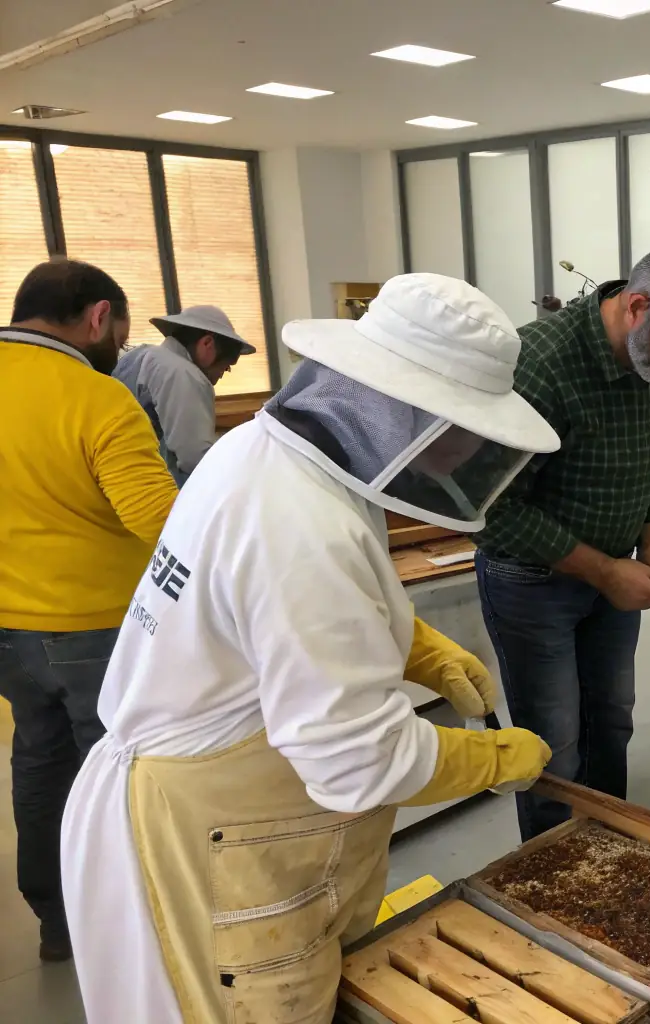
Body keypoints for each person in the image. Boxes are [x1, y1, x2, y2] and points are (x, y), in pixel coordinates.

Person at [60, 274, 557, 1023]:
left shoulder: (263, 453)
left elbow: (266, 611)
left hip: (206, 804)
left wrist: (416, 643)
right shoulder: (301, 523)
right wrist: (489, 760)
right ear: (413, 411)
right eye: (467, 425)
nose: (472, 447)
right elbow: (362, 762)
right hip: (212, 840)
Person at [475, 242, 650, 840]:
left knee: (612, 725)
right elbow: (492, 511)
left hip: (609, 582)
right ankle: (548, 873)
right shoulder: (538, 364)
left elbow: (646, 474)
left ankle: (605, 853)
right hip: (533, 587)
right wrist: (605, 571)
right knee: (553, 747)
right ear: (637, 305)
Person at [0, 260, 179, 963]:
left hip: (6, 630)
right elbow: (160, 523)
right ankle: (123, 924)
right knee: (116, 772)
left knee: (39, 761)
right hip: (92, 628)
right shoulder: (96, 399)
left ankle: (57, 923)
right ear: (98, 317)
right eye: (120, 334)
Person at [114, 305, 256, 485]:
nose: (225, 371)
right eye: (227, 363)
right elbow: (196, 458)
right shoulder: (183, 373)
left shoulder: (140, 355)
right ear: (207, 344)